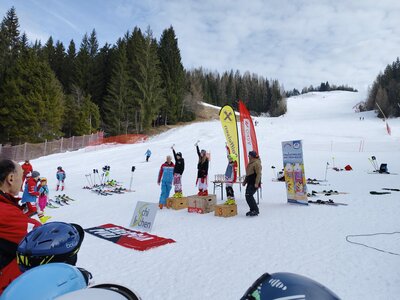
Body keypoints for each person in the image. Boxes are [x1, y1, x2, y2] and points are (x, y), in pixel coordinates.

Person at [0, 159, 41, 294]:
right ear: (11, 178)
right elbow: (40, 235)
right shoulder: (6, 212)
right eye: (21, 175)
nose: (22, 180)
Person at [242, 151, 262, 216]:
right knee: (247, 195)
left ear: (252, 156)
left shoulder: (256, 163)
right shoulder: (251, 163)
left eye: (249, 155)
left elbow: (259, 174)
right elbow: (248, 174)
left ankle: (255, 210)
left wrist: (257, 183)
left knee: (249, 195)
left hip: (254, 182)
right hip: (250, 182)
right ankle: (252, 209)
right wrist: (245, 181)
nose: (248, 156)